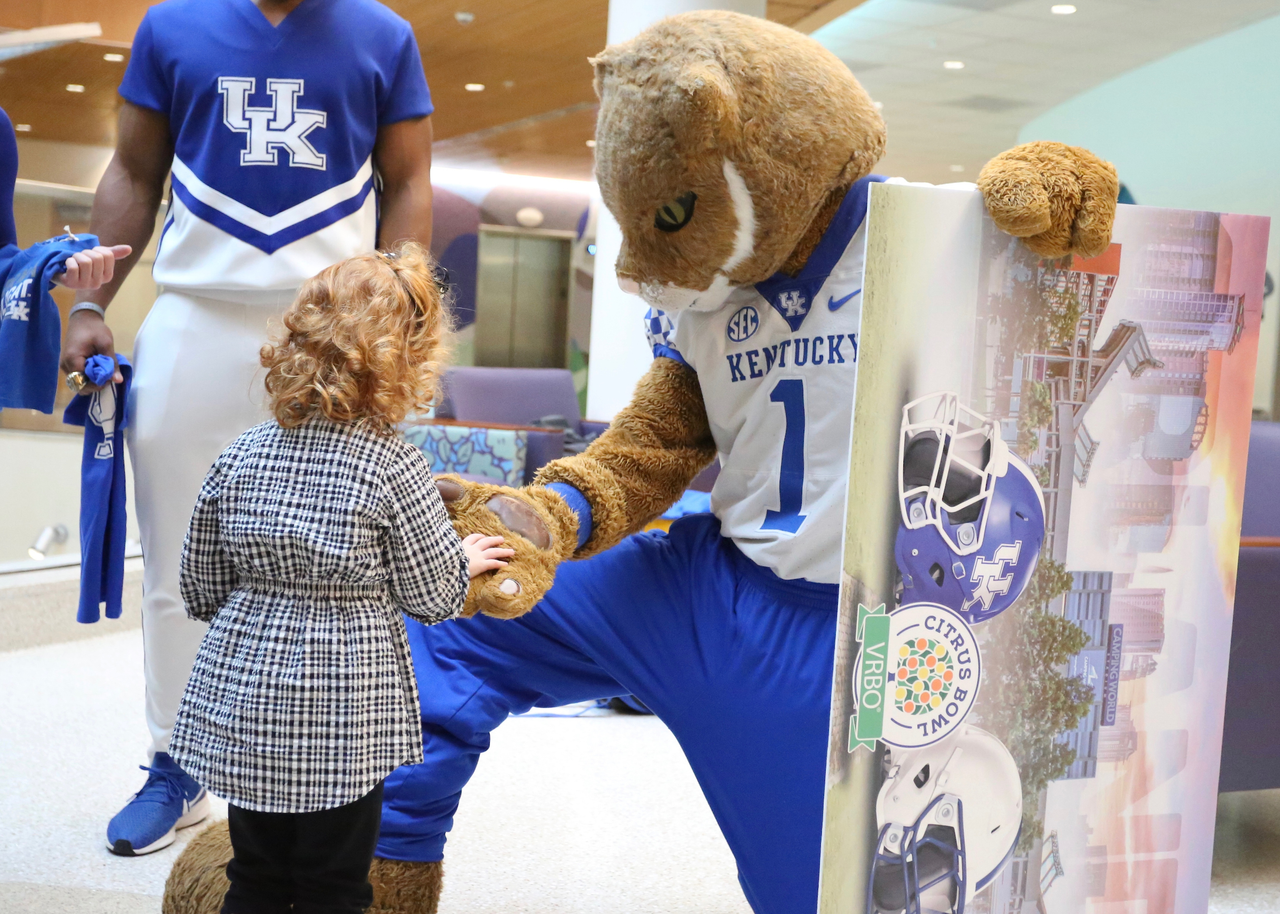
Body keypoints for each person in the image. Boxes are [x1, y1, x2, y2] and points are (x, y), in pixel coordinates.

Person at [58, 0, 437, 856]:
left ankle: (340, 775)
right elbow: (132, 169)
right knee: (176, 558)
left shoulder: (384, 34)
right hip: (194, 313)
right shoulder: (170, 26)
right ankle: (174, 763)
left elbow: (409, 182)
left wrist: (399, 314)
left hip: (332, 328)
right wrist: (88, 302)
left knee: (341, 563)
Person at [169, 243, 512, 914]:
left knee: (256, 875)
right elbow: (432, 594)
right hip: (346, 710)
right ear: (408, 357)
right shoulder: (394, 466)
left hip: (247, 703)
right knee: (335, 885)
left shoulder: (240, 455)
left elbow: (199, 587)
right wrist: (460, 560)